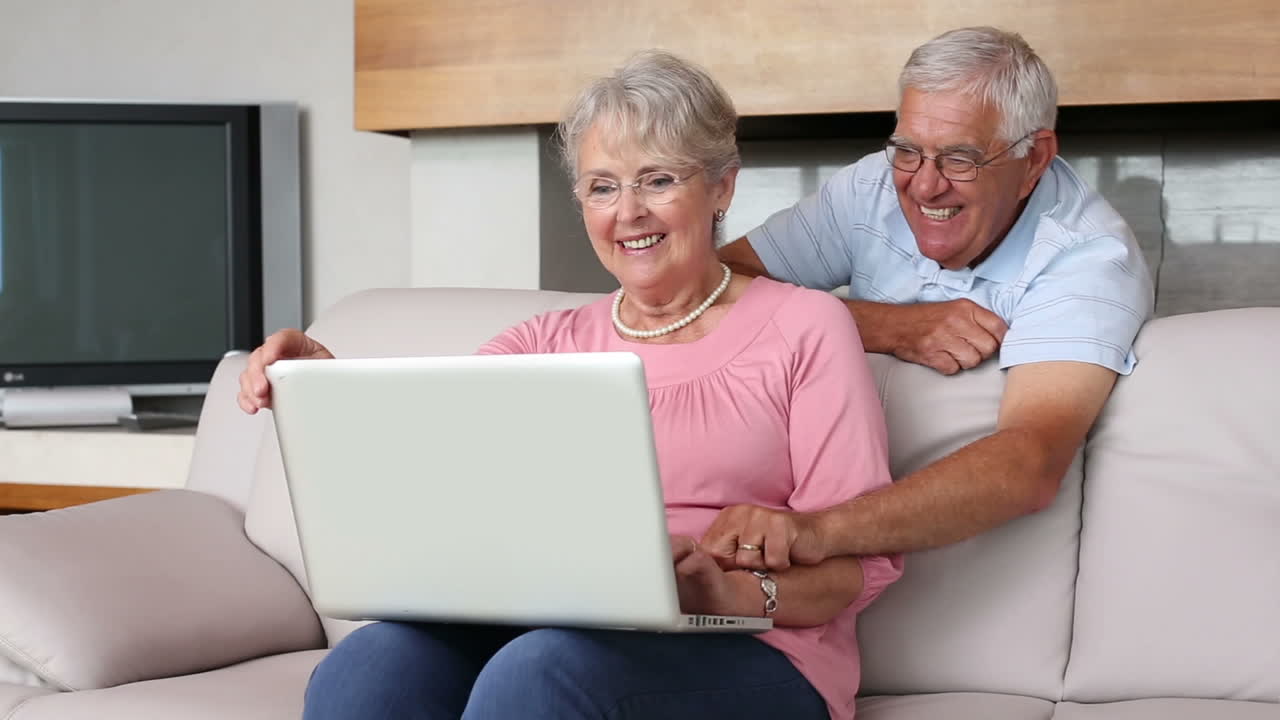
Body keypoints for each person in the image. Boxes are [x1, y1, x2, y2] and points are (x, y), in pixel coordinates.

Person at [238, 50, 901, 720]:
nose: (629, 212)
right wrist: (320, 382)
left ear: (722, 187)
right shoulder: (540, 343)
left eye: (658, 180)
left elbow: (853, 569)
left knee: (541, 674)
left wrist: (727, 595)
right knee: (367, 668)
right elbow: (430, 469)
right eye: (603, 187)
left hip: (758, 651)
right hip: (547, 633)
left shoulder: (807, 327)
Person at [708, 26, 1154, 570]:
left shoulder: (1089, 258)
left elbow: (1029, 463)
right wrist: (890, 326)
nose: (923, 186)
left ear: (1034, 158)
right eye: (908, 151)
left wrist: (816, 533)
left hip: (904, 553)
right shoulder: (871, 186)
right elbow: (712, 284)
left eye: (960, 158)